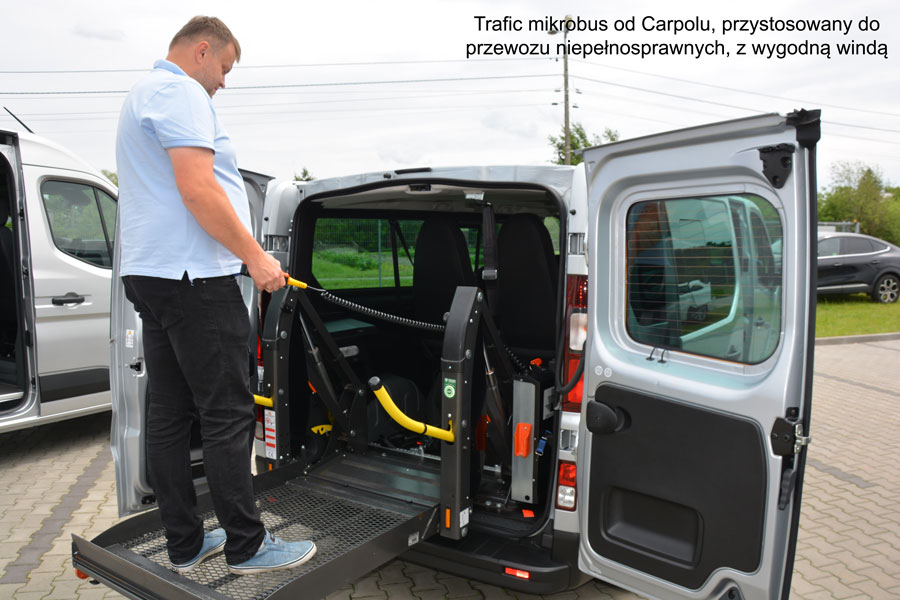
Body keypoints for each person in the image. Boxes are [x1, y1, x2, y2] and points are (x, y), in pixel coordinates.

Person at [115, 16, 316, 575]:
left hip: (151, 275)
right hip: (196, 278)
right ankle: (248, 546)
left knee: (169, 412)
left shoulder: (140, 95)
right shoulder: (181, 93)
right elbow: (199, 189)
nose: (223, 82)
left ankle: (185, 544)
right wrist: (255, 257)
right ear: (202, 50)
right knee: (227, 412)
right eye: (224, 68)